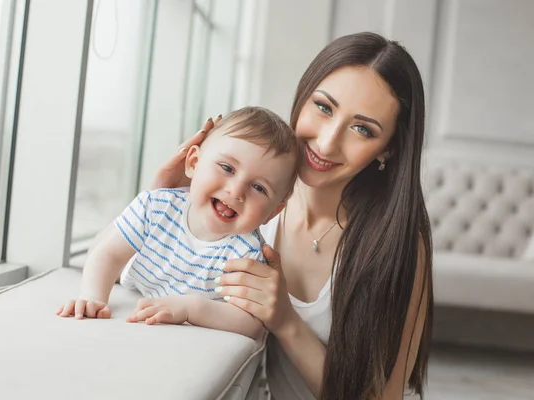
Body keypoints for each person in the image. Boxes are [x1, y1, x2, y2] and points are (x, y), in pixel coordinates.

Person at [153, 32, 433, 400]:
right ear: (302, 99)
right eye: (324, 107)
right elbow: (155, 289)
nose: (328, 142)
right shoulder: (248, 196)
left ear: (389, 150)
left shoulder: (395, 245)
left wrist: (285, 321)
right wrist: (160, 203)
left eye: (362, 129)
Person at [56, 107, 300, 340]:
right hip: (133, 283)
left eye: (258, 187)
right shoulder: (156, 204)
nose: (236, 191)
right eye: (227, 168)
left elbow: (251, 323)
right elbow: (107, 254)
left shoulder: (245, 252)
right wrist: (92, 297)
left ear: (272, 212)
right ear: (193, 162)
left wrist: (191, 309)